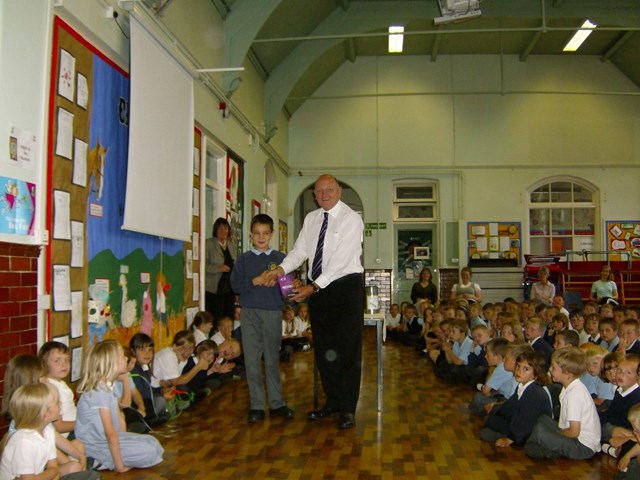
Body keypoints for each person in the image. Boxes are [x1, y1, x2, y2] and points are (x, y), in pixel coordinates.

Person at [267, 174, 364, 430]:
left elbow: (340, 261)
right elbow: (299, 251)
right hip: (319, 290)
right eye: (319, 191)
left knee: (347, 351)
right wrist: (280, 270)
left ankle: (347, 408)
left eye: (329, 189)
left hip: (345, 288)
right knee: (324, 350)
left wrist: (313, 287)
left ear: (339, 190)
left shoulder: (351, 219)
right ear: (314, 195)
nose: (324, 195)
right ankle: (332, 401)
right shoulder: (311, 219)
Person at [230, 213, 295, 424]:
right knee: (251, 360)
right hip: (249, 313)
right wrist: (255, 280)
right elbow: (236, 285)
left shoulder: (280, 259)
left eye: (265, 234)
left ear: (272, 234)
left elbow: (287, 288)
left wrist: (286, 298)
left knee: (272, 359)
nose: (261, 237)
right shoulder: (244, 259)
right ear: (250, 234)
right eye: (257, 233)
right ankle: (257, 405)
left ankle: (277, 403)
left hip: (272, 313)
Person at [75, 339, 164, 472]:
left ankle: (118, 456)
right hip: (98, 445)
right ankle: (98, 461)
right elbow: (110, 433)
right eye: (122, 356)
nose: (126, 358)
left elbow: (118, 422)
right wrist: (120, 466)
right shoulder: (100, 392)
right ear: (112, 364)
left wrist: (126, 440)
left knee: (154, 444)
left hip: (110, 438)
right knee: (150, 452)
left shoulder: (108, 386)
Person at [524, 347, 601, 460]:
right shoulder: (570, 387)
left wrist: (555, 433)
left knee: (540, 433)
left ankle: (542, 448)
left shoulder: (574, 394)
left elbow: (574, 432)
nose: (550, 369)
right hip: (573, 437)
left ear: (568, 374)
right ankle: (542, 446)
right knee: (542, 420)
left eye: (553, 368)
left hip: (582, 447)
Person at [0, 383, 76, 480]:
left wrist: (46, 474)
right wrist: (50, 473)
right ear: (45, 414)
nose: (61, 403)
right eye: (57, 402)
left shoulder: (48, 431)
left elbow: (54, 468)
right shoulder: (24, 441)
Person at [481, 350, 552, 446]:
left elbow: (526, 422)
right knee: (492, 417)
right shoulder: (522, 385)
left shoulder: (535, 393)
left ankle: (512, 437)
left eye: (525, 369)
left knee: (488, 427)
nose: (519, 371)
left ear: (536, 374)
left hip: (531, 430)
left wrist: (509, 440)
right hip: (518, 420)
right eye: (518, 366)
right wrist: (497, 410)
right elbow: (509, 406)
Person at [38, 341, 76, 438]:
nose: (64, 365)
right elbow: (59, 427)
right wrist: (84, 424)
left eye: (67, 360)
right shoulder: (52, 389)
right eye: (57, 361)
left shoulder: (59, 383)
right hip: (66, 435)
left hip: (73, 428)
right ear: (44, 364)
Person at [205, 217, 237, 322]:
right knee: (216, 318)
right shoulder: (209, 244)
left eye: (225, 228)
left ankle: (228, 338)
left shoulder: (231, 245)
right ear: (215, 230)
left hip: (229, 288)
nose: (223, 231)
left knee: (228, 318)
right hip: (214, 289)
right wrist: (218, 268)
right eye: (220, 228)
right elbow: (202, 265)